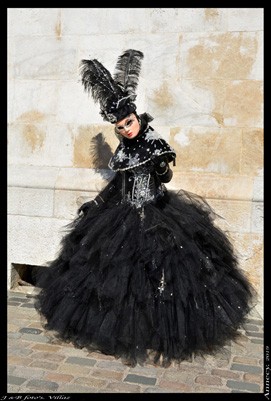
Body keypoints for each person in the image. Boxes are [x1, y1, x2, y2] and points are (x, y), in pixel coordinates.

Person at [34, 49, 255, 368]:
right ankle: (127, 329)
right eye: (120, 126)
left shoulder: (154, 143)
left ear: (137, 118)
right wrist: (96, 204)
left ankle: (158, 329)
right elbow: (118, 185)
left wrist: (161, 165)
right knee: (120, 276)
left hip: (158, 210)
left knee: (167, 271)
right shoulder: (123, 153)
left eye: (129, 122)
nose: (126, 129)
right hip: (123, 214)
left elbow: (165, 177)